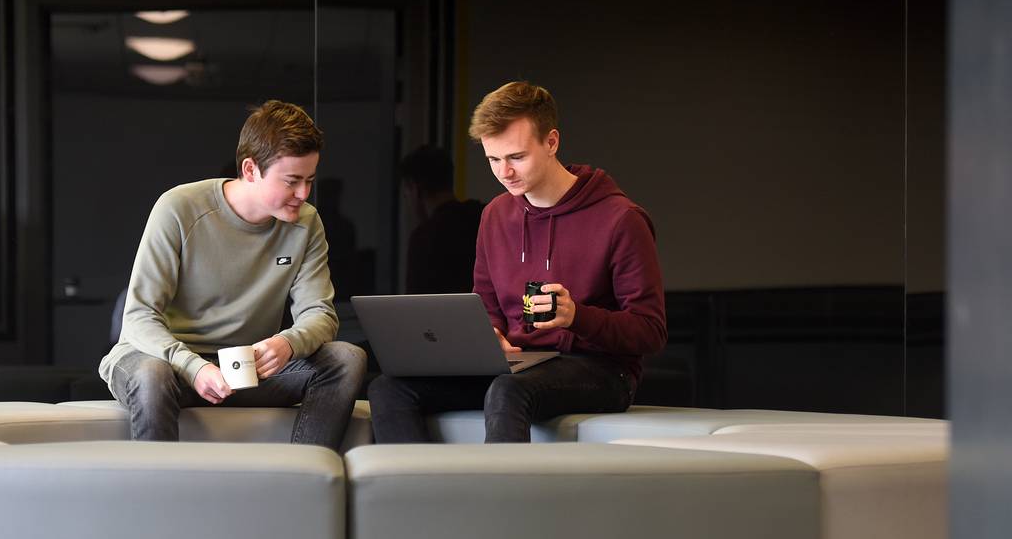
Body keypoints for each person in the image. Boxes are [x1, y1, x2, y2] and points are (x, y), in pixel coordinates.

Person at [368, 81, 666, 443]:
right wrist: (490, 335)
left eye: (516, 157)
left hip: (602, 370)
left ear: (551, 142)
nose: (504, 172)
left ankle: (499, 499)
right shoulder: (495, 215)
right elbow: (488, 306)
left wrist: (578, 317)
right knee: (390, 388)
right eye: (494, 159)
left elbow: (650, 331)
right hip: (519, 365)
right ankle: (414, 495)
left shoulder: (621, 219)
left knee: (508, 390)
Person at [100, 100, 366, 450]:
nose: (303, 194)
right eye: (292, 181)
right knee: (152, 376)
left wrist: (288, 343)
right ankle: (159, 498)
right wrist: (193, 367)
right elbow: (138, 317)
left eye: (310, 181)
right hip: (169, 363)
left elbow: (320, 314)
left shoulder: (306, 222)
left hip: (244, 371)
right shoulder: (179, 208)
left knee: (347, 358)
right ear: (251, 169)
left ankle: (303, 477)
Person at [398, 145, 485, 295]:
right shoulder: (484, 218)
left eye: (406, 194)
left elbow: (416, 307)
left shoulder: (424, 237)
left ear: (415, 189)